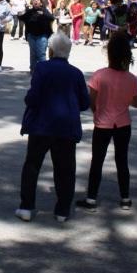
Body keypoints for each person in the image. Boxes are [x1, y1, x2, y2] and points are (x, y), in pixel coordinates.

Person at [16, 33, 91, 222]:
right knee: (65, 169)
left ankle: (26, 206)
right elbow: (84, 103)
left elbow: (33, 97)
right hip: (66, 127)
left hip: (41, 125)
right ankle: (62, 210)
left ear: (50, 50)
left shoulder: (42, 68)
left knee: (32, 165)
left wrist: (28, 99)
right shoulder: (76, 73)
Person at [76, 36, 137, 212]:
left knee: (97, 160)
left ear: (109, 54)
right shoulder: (131, 78)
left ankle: (91, 199)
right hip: (123, 123)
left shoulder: (99, 75)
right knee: (122, 160)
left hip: (103, 122)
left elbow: (92, 100)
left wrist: (96, 110)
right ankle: (125, 198)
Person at [23, 0, 54, 73]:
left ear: (40, 3)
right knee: (33, 54)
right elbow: (26, 24)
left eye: (37, 0)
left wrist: (43, 14)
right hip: (32, 35)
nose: (36, 2)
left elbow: (51, 18)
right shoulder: (29, 11)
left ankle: (43, 70)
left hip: (42, 36)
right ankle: (33, 70)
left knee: (41, 54)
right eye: (34, 0)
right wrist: (26, 35)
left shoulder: (44, 10)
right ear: (32, 2)